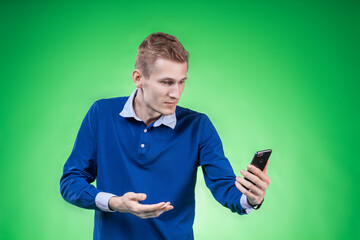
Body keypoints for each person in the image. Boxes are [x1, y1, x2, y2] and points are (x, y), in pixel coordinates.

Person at [60, 32, 271, 240]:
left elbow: (225, 187)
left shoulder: (198, 126)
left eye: (181, 81)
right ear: (138, 79)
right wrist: (116, 202)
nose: (176, 93)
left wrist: (250, 198)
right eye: (166, 82)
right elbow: (71, 182)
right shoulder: (102, 114)